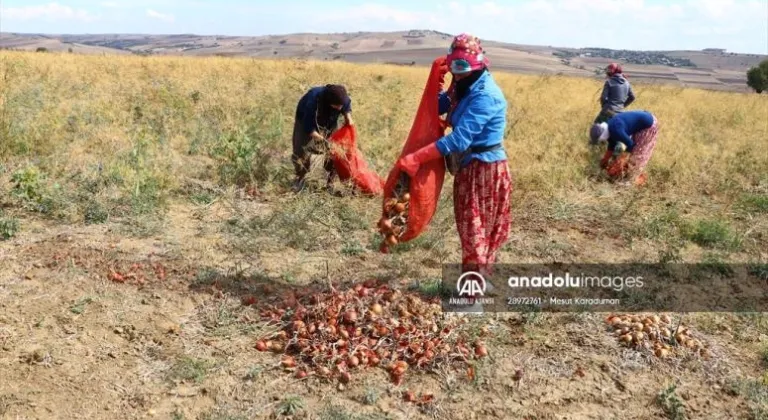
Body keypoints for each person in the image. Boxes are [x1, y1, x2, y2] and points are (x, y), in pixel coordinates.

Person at [395, 33, 511, 277]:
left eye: (462, 69)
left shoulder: (486, 96)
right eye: (453, 68)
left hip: (484, 170)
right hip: (468, 166)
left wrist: (417, 158)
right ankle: (481, 280)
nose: (456, 74)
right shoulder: (463, 84)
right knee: (473, 229)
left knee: (474, 230)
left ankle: (473, 293)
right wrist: (435, 81)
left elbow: (459, 139)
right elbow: (440, 106)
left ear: (478, 65)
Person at [291, 84, 354, 192]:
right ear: (329, 101)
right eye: (337, 105)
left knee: (335, 150)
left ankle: (330, 181)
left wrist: (348, 117)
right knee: (301, 151)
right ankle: (299, 178)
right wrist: (323, 140)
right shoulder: (313, 100)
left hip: (329, 121)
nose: (340, 108)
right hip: (305, 121)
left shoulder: (342, 98)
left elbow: (346, 107)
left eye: (341, 105)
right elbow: (309, 128)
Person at [589, 110, 659, 186]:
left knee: (638, 154)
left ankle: (632, 180)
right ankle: (629, 173)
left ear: (602, 136)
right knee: (631, 154)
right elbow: (611, 146)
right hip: (642, 122)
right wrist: (605, 160)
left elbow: (630, 144)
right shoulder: (609, 128)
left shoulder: (615, 130)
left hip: (649, 125)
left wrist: (621, 161)